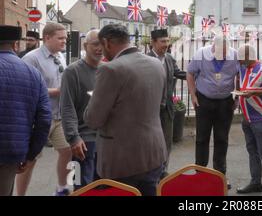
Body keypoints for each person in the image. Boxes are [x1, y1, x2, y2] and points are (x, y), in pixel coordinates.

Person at [84, 24, 167, 196]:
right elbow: (159, 103)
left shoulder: (110, 69)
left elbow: (93, 120)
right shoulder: (156, 63)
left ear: (107, 43)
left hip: (121, 160)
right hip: (154, 152)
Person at [17, 22, 72, 196]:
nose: (64, 41)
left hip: (59, 115)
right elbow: (25, 87)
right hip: (39, 119)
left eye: (66, 38)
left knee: (67, 151)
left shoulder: (61, 56)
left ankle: (61, 188)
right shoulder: (31, 58)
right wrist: (56, 91)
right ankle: (20, 194)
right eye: (60, 38)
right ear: (47, 37)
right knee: (30, 159)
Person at [0, 26, 52, 196]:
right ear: (16, 44)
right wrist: (30, 155)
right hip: (11, 151)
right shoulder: (33, 74)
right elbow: (44, 120)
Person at [187, 34, 239, 189]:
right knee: (202, 138)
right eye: (219, 53)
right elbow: (190, 73)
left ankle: (220, 175)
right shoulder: (201, 54)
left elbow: (239, 75)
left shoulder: (235, 55)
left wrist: (237, 96)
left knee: (222, 139)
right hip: (204, 100)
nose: (222, 56)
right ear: (212, 47)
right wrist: (193, 95)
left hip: (225, 101)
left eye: (225, 53)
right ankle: (200, 175)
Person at [60, 29, 102, 190]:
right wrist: (73, 138)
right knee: (80, 187)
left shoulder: (108, 70)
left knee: (104, 188)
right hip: (82, 142)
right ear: (85, 46)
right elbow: (67, 106)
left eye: (103, 44)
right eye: (95, 44)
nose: (99, 48)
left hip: (105, 140)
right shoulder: (72, 71)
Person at [235, 45, 262, 196]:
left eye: (241, 58)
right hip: (247, 118)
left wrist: (254, 92)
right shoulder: (242, 67)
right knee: (252, 151)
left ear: (248, 56)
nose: (239, 61)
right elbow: (238, 81)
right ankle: (256, 182)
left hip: (261, 117)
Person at [147, 29, 186, 179]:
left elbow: (178, 73)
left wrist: (195, 74)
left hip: (167, 109)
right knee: (152, 143)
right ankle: (152, 172)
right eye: (163, 41)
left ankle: (163, 172)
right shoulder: (146, 59)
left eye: (167, 41)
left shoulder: (169, 58)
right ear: (153, 42)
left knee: (166, 142)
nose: (166, 44)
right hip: (151, 110)